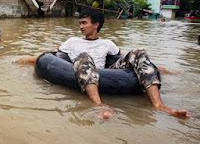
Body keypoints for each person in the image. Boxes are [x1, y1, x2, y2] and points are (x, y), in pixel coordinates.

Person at [15, 8, 189, 119]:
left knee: (139, 51)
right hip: (83, 68)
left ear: (96, 24)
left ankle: (158, 105)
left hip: (105, 73)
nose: (81, 27)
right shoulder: (73, 42)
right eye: (80, 23)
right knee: (84, 55)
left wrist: (161, 69)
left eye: (84, 23)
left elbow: (129, 59)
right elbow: (51, 55)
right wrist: (24, 59)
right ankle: (98, 105)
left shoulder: (107, 44)